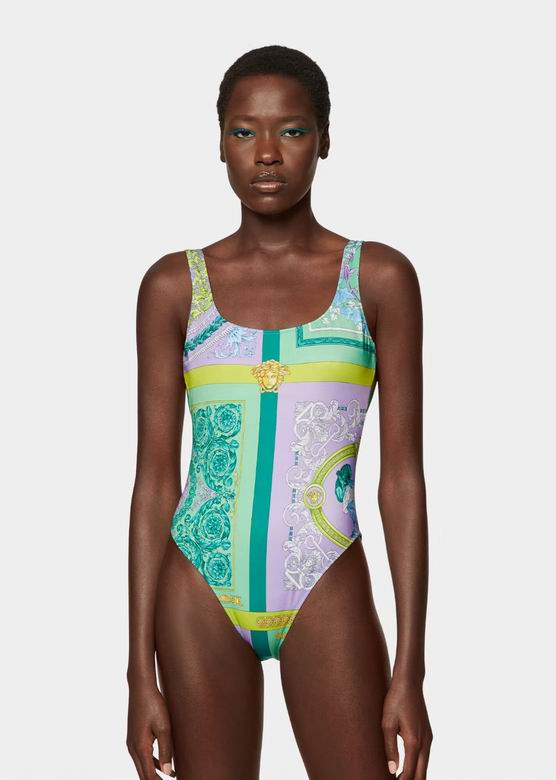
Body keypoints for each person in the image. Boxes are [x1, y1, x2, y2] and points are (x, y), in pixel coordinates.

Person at [126, 44, 433, 780]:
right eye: (244, 131)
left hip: (324, 579)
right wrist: (139, 673)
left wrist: (411, 670)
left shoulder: (378, 279)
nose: (267, 153)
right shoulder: (174, 287)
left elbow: (402, 480)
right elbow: (155, 483)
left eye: (292, 130)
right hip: (198, 586)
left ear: (324, 139)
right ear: (220, 143)